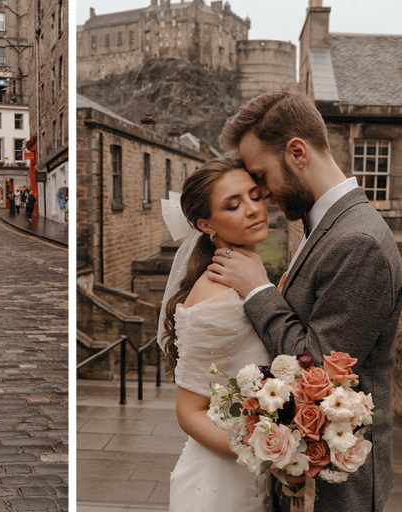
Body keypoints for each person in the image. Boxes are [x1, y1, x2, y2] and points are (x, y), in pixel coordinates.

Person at [208, 89, 402, 512]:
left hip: (337, 492)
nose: (261, 193)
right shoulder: (321, 223)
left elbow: (319, 366)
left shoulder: (359, 241)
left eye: (260, 175)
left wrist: (258, 289)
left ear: (297, 152)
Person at [158, 158, 272, 512]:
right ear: (205, 224)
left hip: (247, 475)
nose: (253, 210)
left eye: (255, 196)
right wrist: (268, 449)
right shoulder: (215, 295)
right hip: (219, 486)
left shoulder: (247, 272)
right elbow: (189, 412)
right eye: (233, 205)